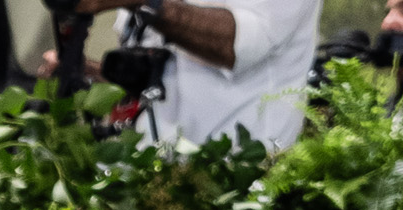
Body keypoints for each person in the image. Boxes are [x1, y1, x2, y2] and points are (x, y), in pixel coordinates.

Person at [49, 0, 316, 143]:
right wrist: (88, 75)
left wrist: (146, 2)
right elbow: (162, 67)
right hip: (158, 183)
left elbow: (239, 43)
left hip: (236, 188)